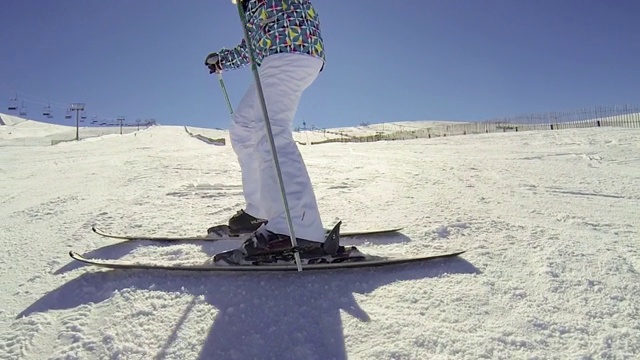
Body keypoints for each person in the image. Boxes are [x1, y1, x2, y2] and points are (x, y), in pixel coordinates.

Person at [204, 0, 328, 261]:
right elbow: (252, 45)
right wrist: (223, 60)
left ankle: (296, 226)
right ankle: (260, 210)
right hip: (279, 55)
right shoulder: (253, 8)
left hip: (292, 51)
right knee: (244, 128)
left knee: (269, 129)